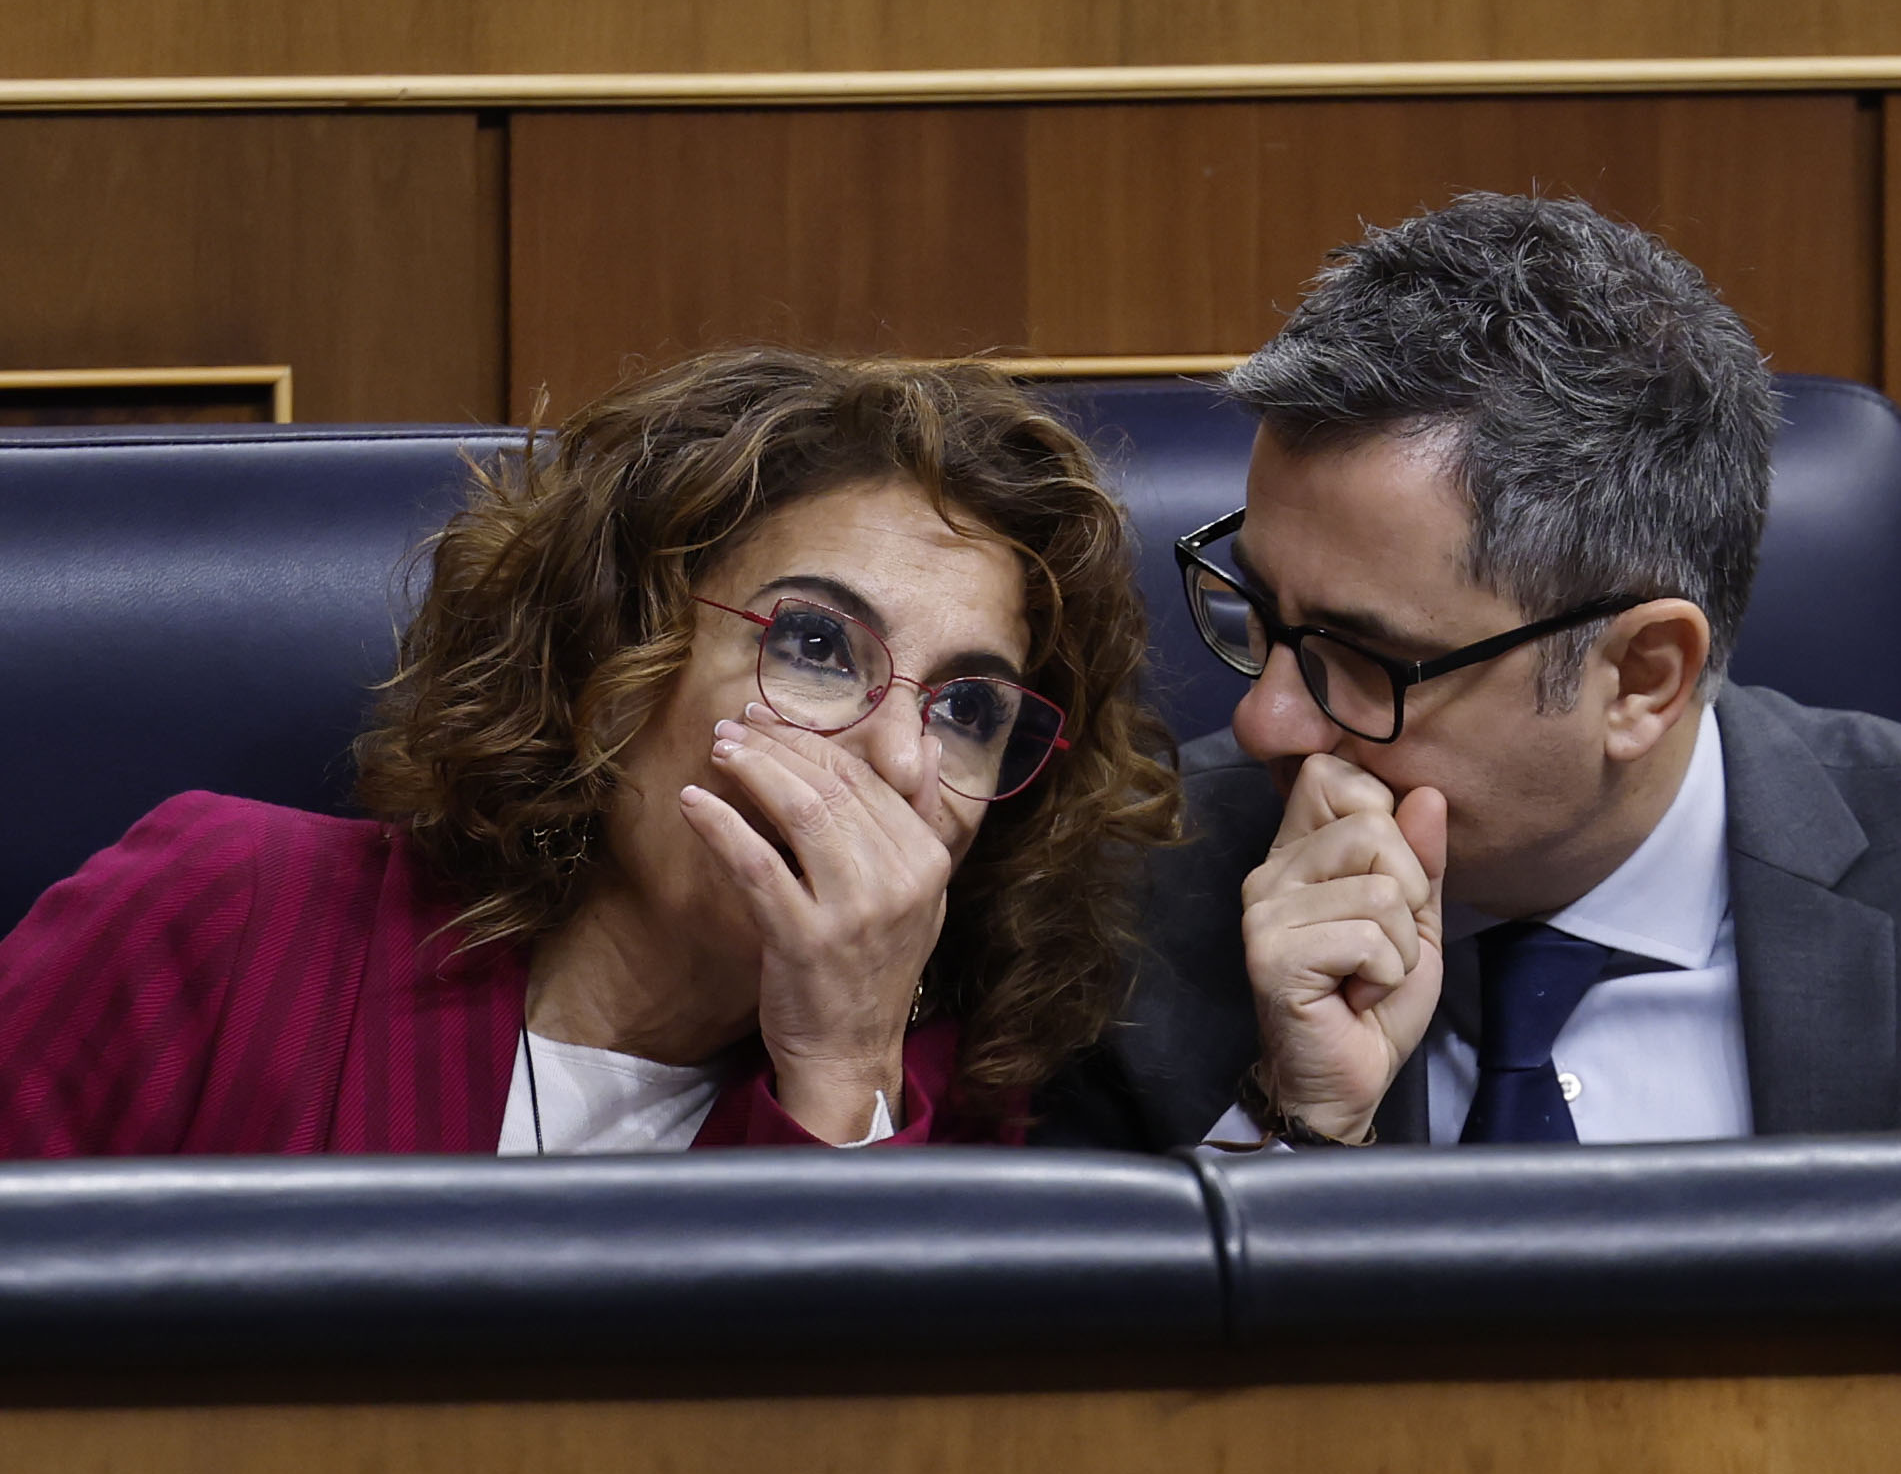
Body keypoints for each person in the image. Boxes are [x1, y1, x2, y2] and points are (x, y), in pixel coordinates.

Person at [1035, 191, 1901, 1151]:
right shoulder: (1122, 913)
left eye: (1367, 661)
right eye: (1257, 608)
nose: (1263, 720)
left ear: (1644, 674)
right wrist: (1295, 1127)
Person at [1, 348, 1177, 1157]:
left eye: (969, 709)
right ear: (616, 667)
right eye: (818, 645)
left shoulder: (957, 1112)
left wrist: (837, 1069)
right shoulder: (225, 911)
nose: (898, 759)